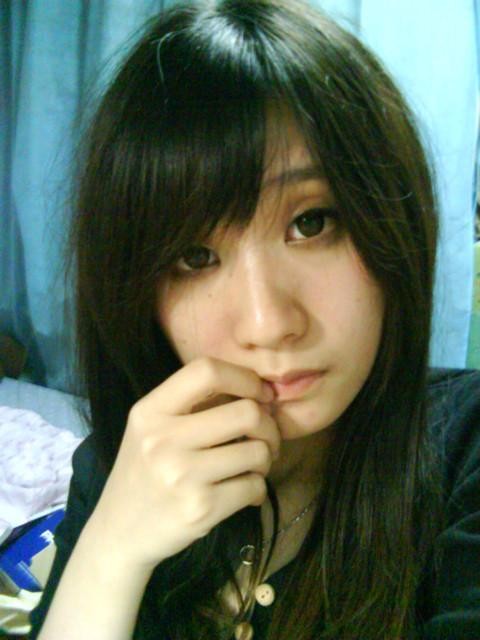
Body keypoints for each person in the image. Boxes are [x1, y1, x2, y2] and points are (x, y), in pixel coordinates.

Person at [29, 0, 480, 638]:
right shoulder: (121, 465)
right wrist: (109, 553)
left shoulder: (465, 455)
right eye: (195, 256)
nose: (268, 324)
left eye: (312, 223)